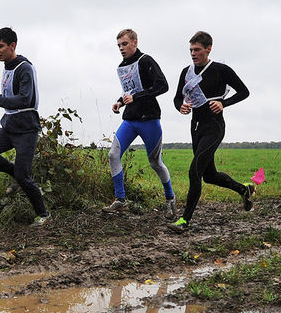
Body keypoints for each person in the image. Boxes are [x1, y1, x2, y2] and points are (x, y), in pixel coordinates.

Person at [168, 31, 255, 233]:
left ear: (208, 49)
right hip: (195, 126)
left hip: (214, 126)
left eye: (197, 49)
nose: (193, 53)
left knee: (194, 171)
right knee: (210, 175)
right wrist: (180, 107)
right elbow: (176, 98)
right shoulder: (186, 72)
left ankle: (184, 221)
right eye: (191, 50)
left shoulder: (221, 70)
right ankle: (244, 189)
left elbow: (244, 92)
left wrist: (223, 103)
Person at [0, 27, 50, 226]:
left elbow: (25, 99)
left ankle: (43, 215)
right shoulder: (7, 66)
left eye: (0, 46)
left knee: (23, 176)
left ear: (12, 46)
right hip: (9, 126)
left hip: (26, 129)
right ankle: (14, 173)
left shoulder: (24, 67)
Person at [103, 29, 175, 216]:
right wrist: (120, 101)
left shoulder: (146, 61)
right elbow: (130, 91)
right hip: (130, 120)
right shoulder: (122, 66)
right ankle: (120, 200)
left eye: (125, 44)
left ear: (135, 42)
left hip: (149, 119)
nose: (121, 48)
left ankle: (170, 198)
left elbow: (162, 86)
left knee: (155, 162)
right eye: (119, 45)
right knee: (113, 154)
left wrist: (136, 97)